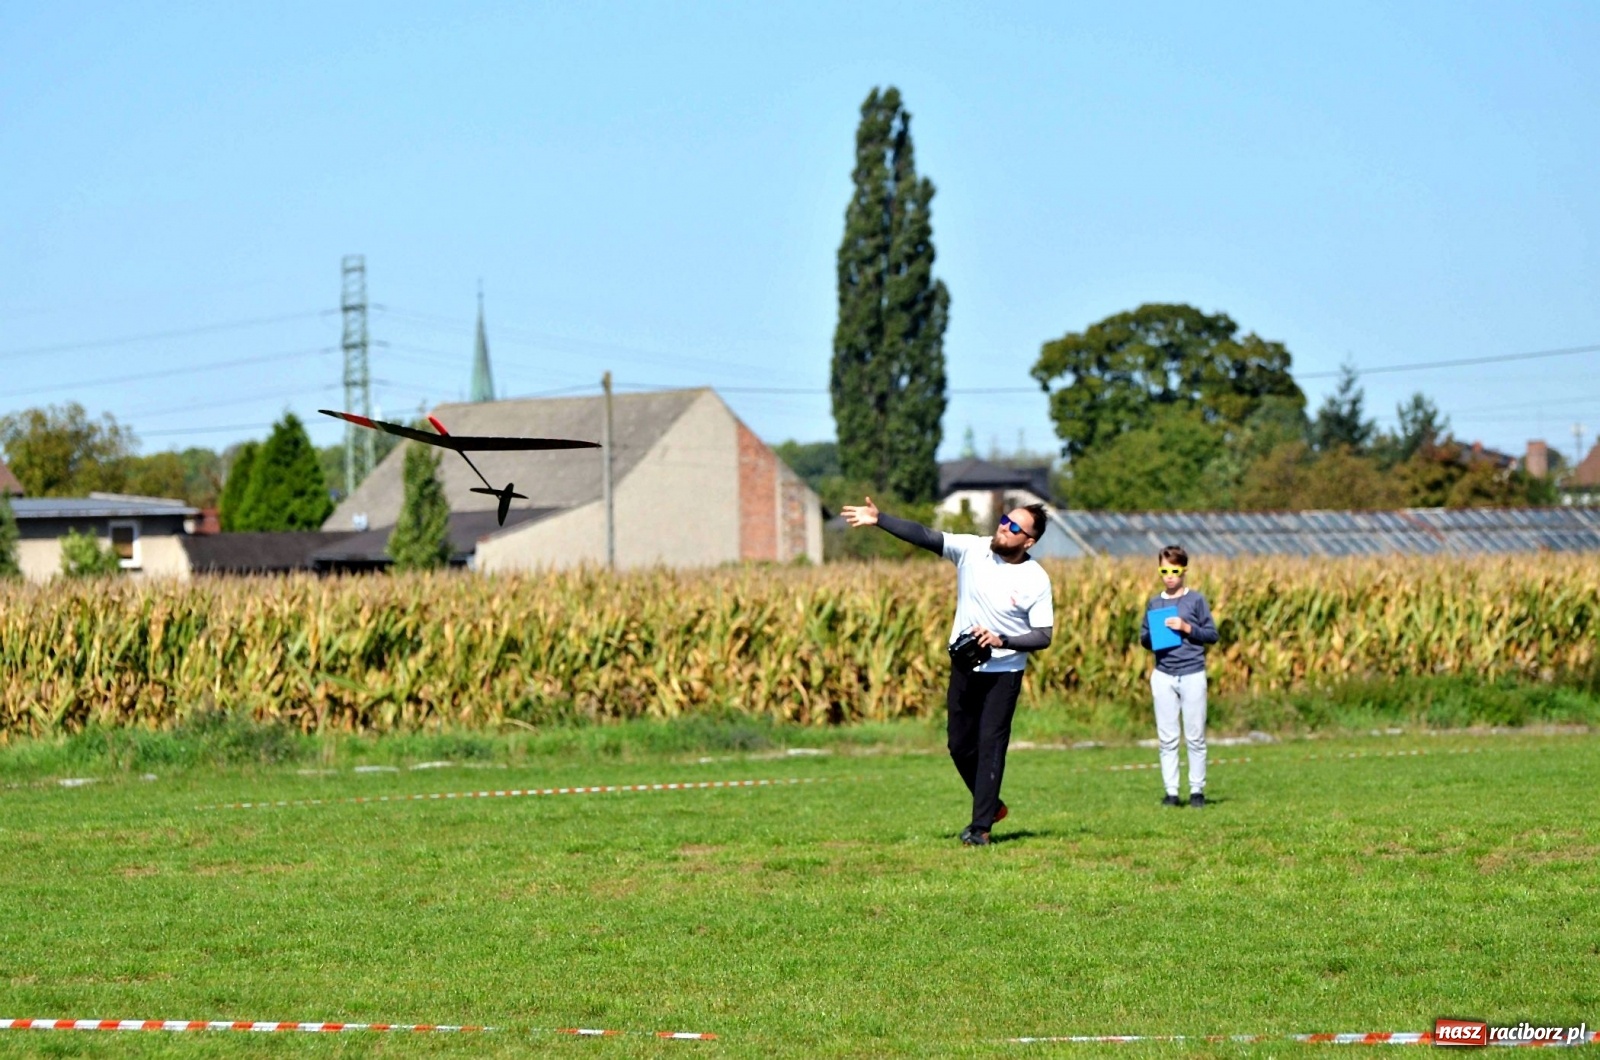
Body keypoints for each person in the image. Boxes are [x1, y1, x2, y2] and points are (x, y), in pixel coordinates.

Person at [841, 496, 1055, 846]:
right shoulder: (973, 549)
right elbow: (926, 536)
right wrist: (880, 519)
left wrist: (1001, 639)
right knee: (959, 745)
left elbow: (1043, 635)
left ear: (1028, 541)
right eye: (1005, 519)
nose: (1005, 526)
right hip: (966, 665)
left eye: (1015, 526)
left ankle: (980, 827)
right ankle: (993, 805)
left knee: (991, 746)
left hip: (1004, 672)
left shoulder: (1035, 579)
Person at [1138, 545, 1218, 808]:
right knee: (1167, 737)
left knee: (1195, 736)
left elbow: (1211, 635)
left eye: (1175, 570)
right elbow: (1144, 639)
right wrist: (1155, 634)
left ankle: (1197, 790)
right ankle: (1171, 792)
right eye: (1164, 570)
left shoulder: (1196, 601)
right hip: (1164, 674)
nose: (1169, 576)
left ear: (1184, 570)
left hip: (1193, 672)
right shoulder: (1155, 603)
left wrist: (1186, 628)